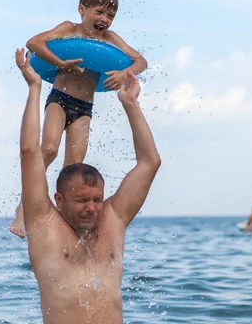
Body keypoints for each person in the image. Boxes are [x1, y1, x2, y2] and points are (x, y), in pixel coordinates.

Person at [14, 47, 161, 323]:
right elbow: (30, 152)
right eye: (81, 201)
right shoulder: (43, 224)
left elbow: (149, 163)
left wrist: (131, 104)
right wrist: (34, 88)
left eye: (96, 199)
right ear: (59, 200)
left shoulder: (113, 220)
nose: (92, 208)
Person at [9, 0, 149, 238]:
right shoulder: (68, 29)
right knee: (48, 148)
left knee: (74, 168)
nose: (105, 20)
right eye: (99, 12)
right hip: (59, 99)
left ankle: (65, 224)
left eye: (110, 16)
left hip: (85, 108)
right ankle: (23, 208)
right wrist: (62, 63)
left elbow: (141, 61)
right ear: (82, 9)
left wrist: (124, 73)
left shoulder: (111, 39)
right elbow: (35, 42)